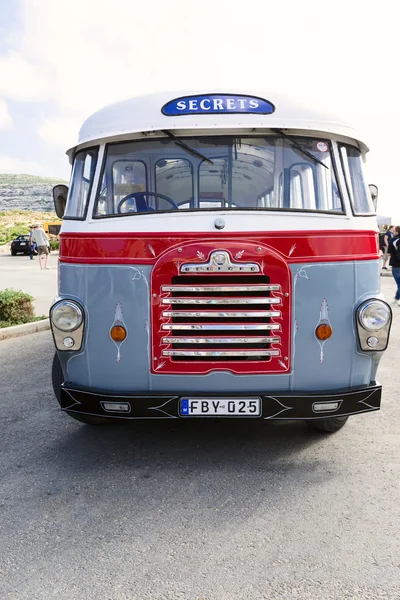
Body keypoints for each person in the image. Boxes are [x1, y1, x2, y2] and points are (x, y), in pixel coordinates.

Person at [388, 225, 400, 305]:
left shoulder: (393, 240)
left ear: (396, 231)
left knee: (399, 283)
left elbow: (389, 253)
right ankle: (397, 298)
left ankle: (397, 298)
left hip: (396, 264)